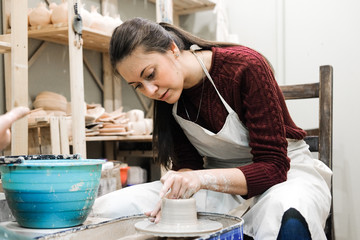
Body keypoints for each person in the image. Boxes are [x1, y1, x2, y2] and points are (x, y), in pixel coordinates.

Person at [91, 17, 332, 240]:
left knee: (285, 214)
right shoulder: (166, 96)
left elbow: (274, 167)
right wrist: (177, 189)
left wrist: (199, 178)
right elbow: (189, 165)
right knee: (108, 208)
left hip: (285, 176)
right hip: (217, 183)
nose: (150, 90)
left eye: (151, 74)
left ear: (173, 50)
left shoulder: (245, 67)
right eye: (138, 86)